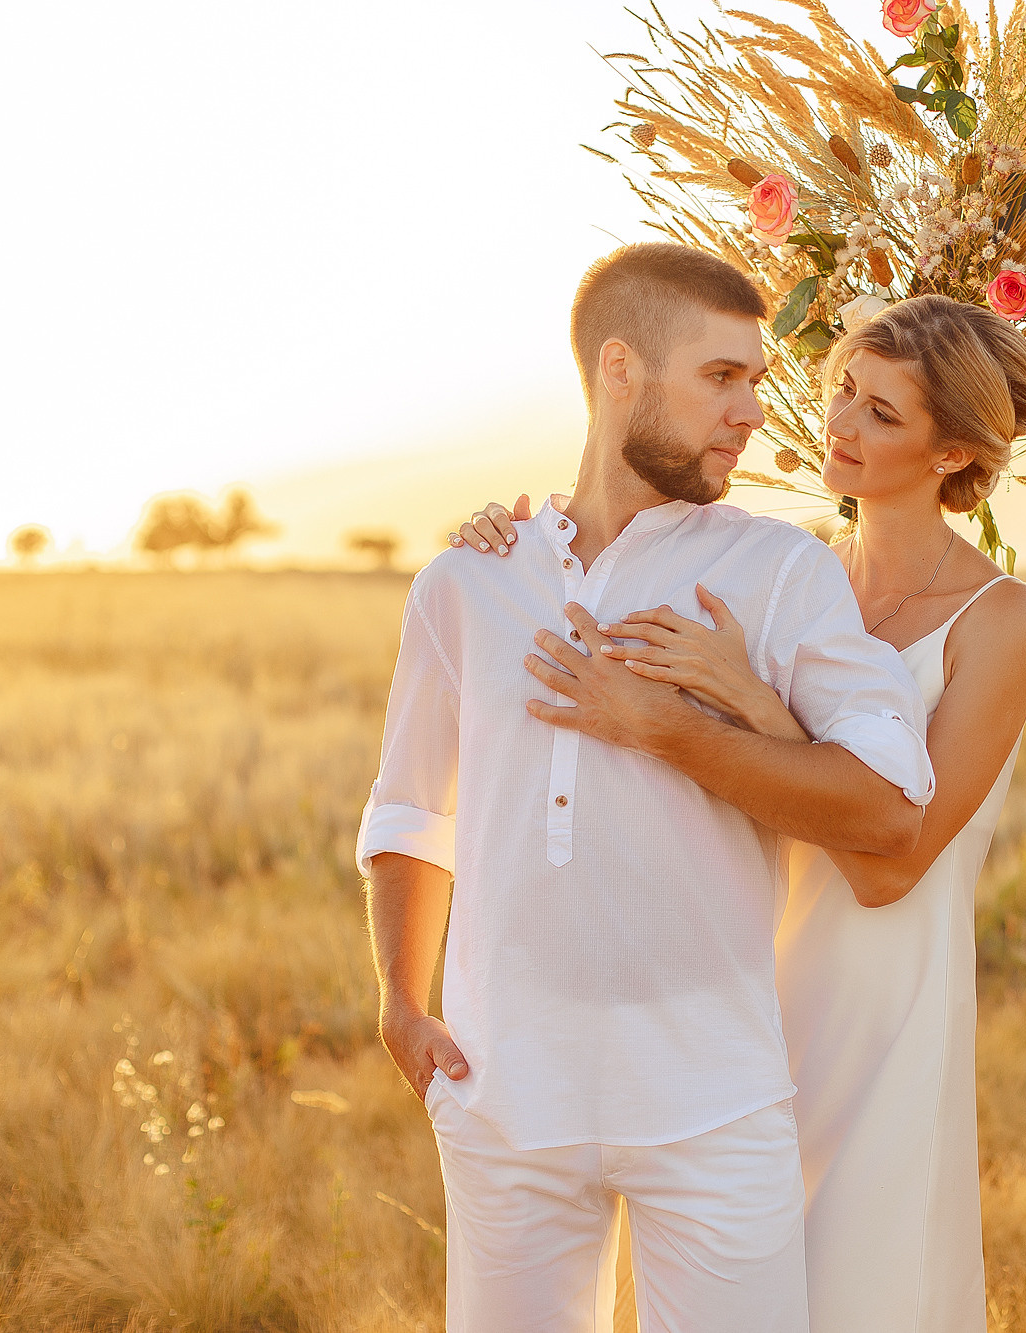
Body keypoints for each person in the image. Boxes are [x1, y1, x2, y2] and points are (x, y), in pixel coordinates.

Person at [359, 242, 939, 1333]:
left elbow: (886, 808)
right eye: (722, 377)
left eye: (758, 381)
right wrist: (399, 1001)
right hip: (503, 1096)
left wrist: (670, 730)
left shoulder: (779, 572)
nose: (754, 411)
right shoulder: (467, 579)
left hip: (712, 1105)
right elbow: (410, 808)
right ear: (619, 368)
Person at [453, 293, 1026, 1333]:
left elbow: (886, 864)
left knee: (859, 1286)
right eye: (841, 395)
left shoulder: (1001, 618)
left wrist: (752, 701)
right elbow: (600, 545)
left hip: (881, 995)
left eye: (880, 414)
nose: (840, 428)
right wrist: (497, 540)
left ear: (952, 451)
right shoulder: (787, 567)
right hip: (744, 978)